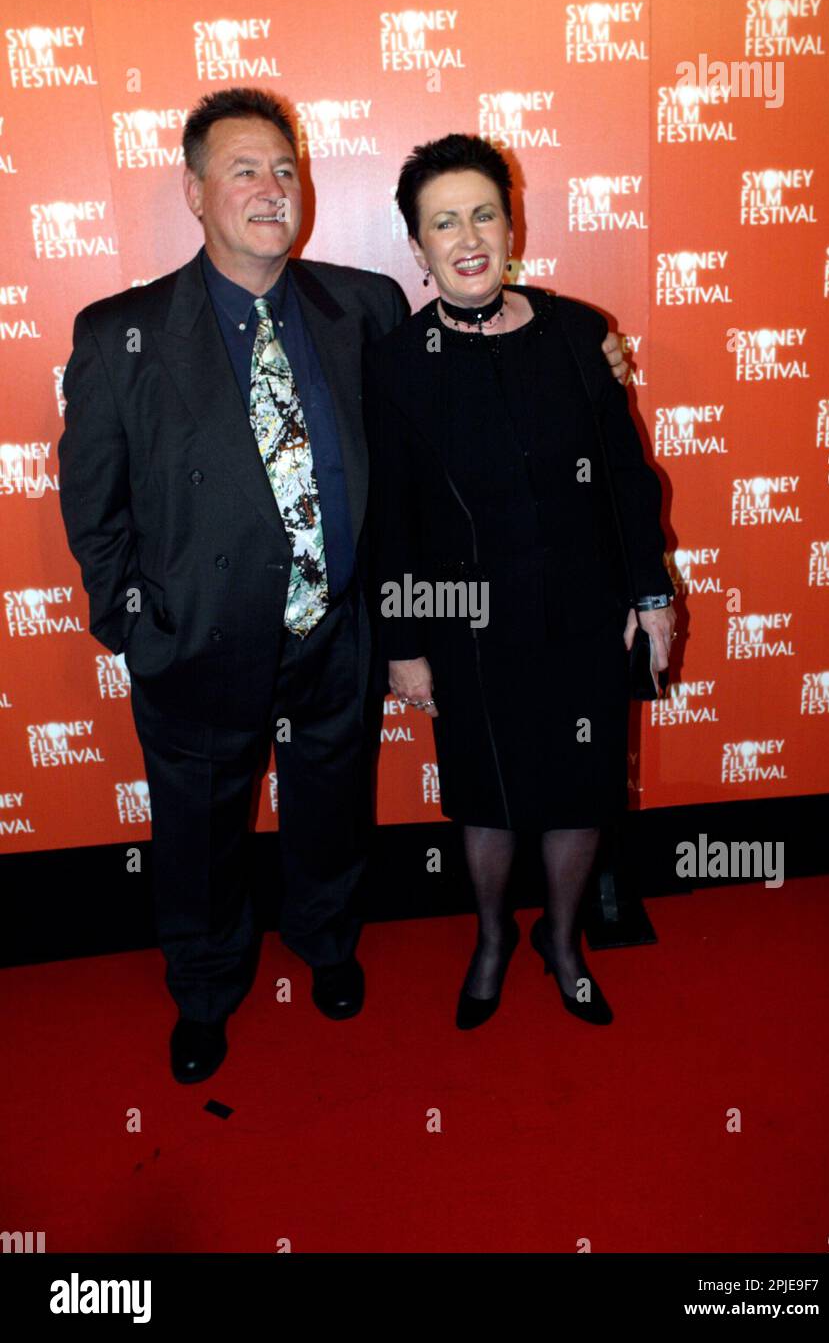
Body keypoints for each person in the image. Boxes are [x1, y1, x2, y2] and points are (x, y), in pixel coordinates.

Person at [58, 92, 630, 1084]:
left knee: (330, 810)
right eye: (242, 169)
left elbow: (460, 379)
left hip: (337, 641)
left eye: (284, 167)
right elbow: (94, 510)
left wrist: (593, 352)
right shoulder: (122, 336)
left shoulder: (360, 306)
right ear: (194, 191)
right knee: (197, 838)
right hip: (195, 648)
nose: (269, 187)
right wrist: (137, 628)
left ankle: (326, 948)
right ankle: (203, 991)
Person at [364, 133, 676, 1031]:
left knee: (581, 791)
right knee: (486, 794)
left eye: (483, 213)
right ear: (417, 248)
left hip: (585, 613)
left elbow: (625, 478)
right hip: (464, 622)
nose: (467, 236)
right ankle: (494, 939)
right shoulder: (394, 366)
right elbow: (391, 520)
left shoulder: (579, 334)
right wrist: (406, 644)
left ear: (513, 222)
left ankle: (566, 943)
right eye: (442, 222)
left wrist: (650, 595)